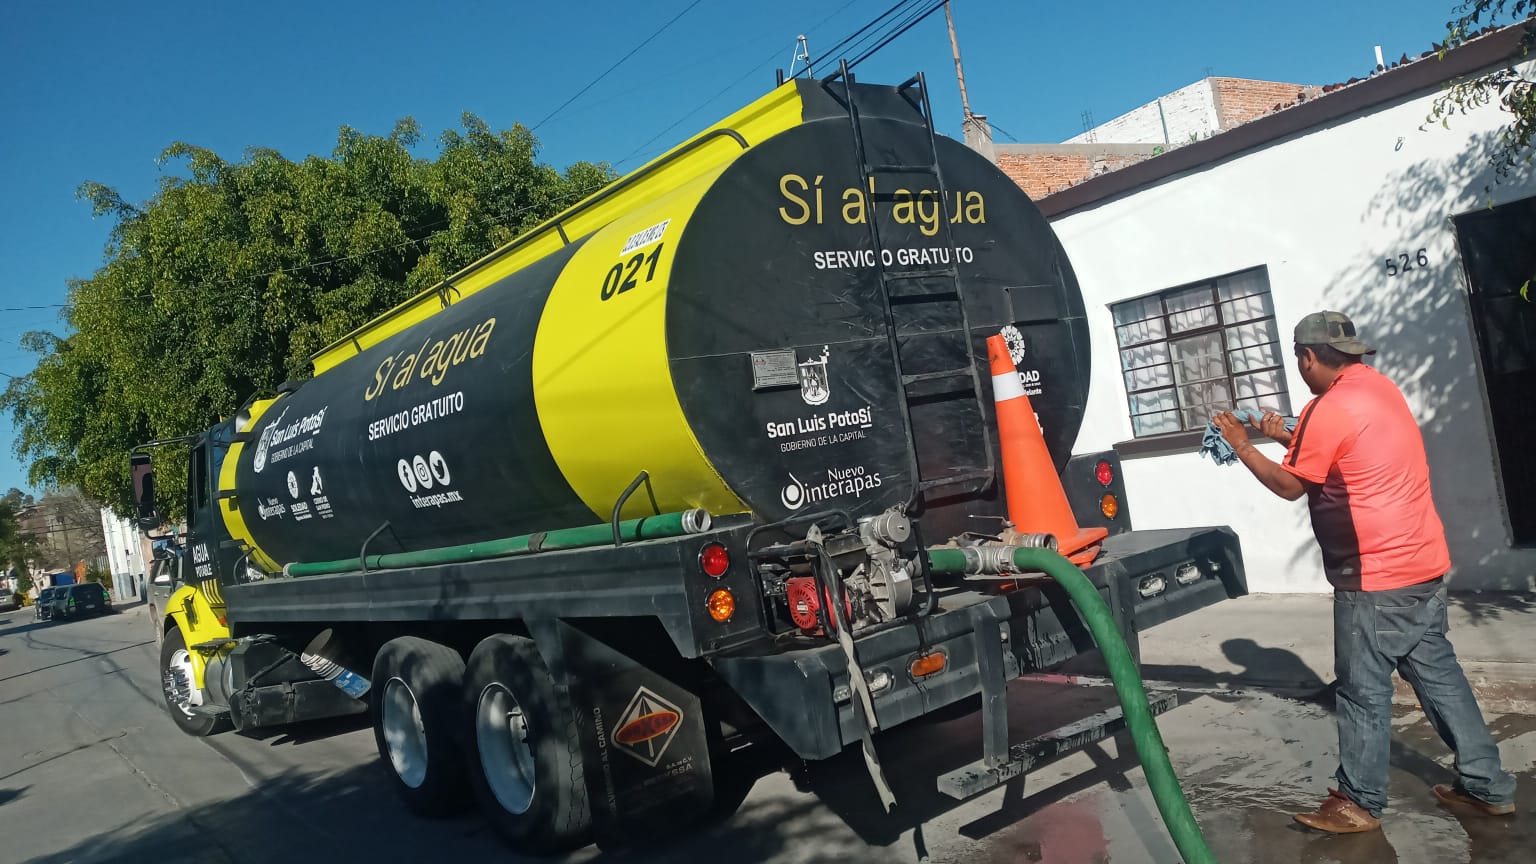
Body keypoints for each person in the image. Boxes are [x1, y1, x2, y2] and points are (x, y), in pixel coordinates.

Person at [1212, 310, 1516, 834]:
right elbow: (1335, 456)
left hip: (1374, 578)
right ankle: (1488, 787)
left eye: (1298, 360)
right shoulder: (1379, 391)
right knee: (1440, 679)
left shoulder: (1330, 409)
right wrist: (1282, 435)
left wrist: (1241, 443)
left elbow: (1291, 486)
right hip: (1422, 568)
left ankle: (1359, 800)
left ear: (1308, 358)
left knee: (1361, 692)